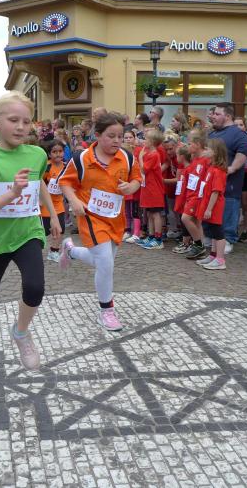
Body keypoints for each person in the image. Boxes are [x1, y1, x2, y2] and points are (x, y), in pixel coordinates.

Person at [0, 91, 61, 371]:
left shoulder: (36, 154)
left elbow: (38, 183)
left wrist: (53, 215)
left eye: (26, 122)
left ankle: (21, 332)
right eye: (13, 120)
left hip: (28, 232)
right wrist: (11, 194)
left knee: (35, 288)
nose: (20, 127)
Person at [58, 111, 142, 332]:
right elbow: (64, 182)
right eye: (111, 136)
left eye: (120, 136)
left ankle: (71, 251)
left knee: (103, 261)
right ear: (98, 135)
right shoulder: (82, 158)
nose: (116, 141)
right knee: (105, 263)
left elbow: (137, 179)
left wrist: (131, 187)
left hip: (115, 218)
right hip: (90, 216)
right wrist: (74, 200)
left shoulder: (127, 157)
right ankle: (107, 311)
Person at [207, 103, 247, 253]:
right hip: (211, 182)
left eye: (217, 114)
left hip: (230, 183)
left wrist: (232, 168)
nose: (213, 116)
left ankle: (227, 238)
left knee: (229, 209)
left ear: (227, 116)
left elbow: (245, 149)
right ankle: (212, 237)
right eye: (213, 114)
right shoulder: (213, 133)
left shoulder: (238, 133)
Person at [195, 139, 230, 270]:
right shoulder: (212, 168)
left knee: (218, 232)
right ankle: (213, 255)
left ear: (215, 152)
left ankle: (220, 259)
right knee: (213, 232)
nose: (205, 151)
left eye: (208, 149)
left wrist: (209, 209)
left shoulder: (218, 171)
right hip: (209, 204)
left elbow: (216, 192)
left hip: (215, 206)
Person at [180, 130, 211, 260]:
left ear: (198, 144)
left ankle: (198, 244)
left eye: (190, 143)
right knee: (196, 222)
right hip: (192, 194)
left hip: (199, 195)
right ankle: (201, 248)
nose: (187, 146)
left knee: (185, 218)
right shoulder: (196, 159)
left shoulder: (206, 159)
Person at [137, 127, 166, 249]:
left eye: (146, 139)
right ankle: (151, 236)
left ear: (152, 142)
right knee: (149, 214)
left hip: (154, 189)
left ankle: (158, 239)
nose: (144, 141)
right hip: (148, 188)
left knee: (155, 214)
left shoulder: (154, 155)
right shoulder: (150, 154)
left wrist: (140, 157)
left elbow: (144, 169)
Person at [40, 140, 66, 262]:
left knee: (60, 229)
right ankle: (34, 250)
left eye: (60, 151)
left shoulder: (66, 167)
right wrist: (39, 199)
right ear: (49, 154)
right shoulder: (46, 167)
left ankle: (54, 252)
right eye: (54, 152)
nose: (58, 154)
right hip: (45, 204)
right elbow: (39, 182)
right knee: (44, 231)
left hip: (59, 203)